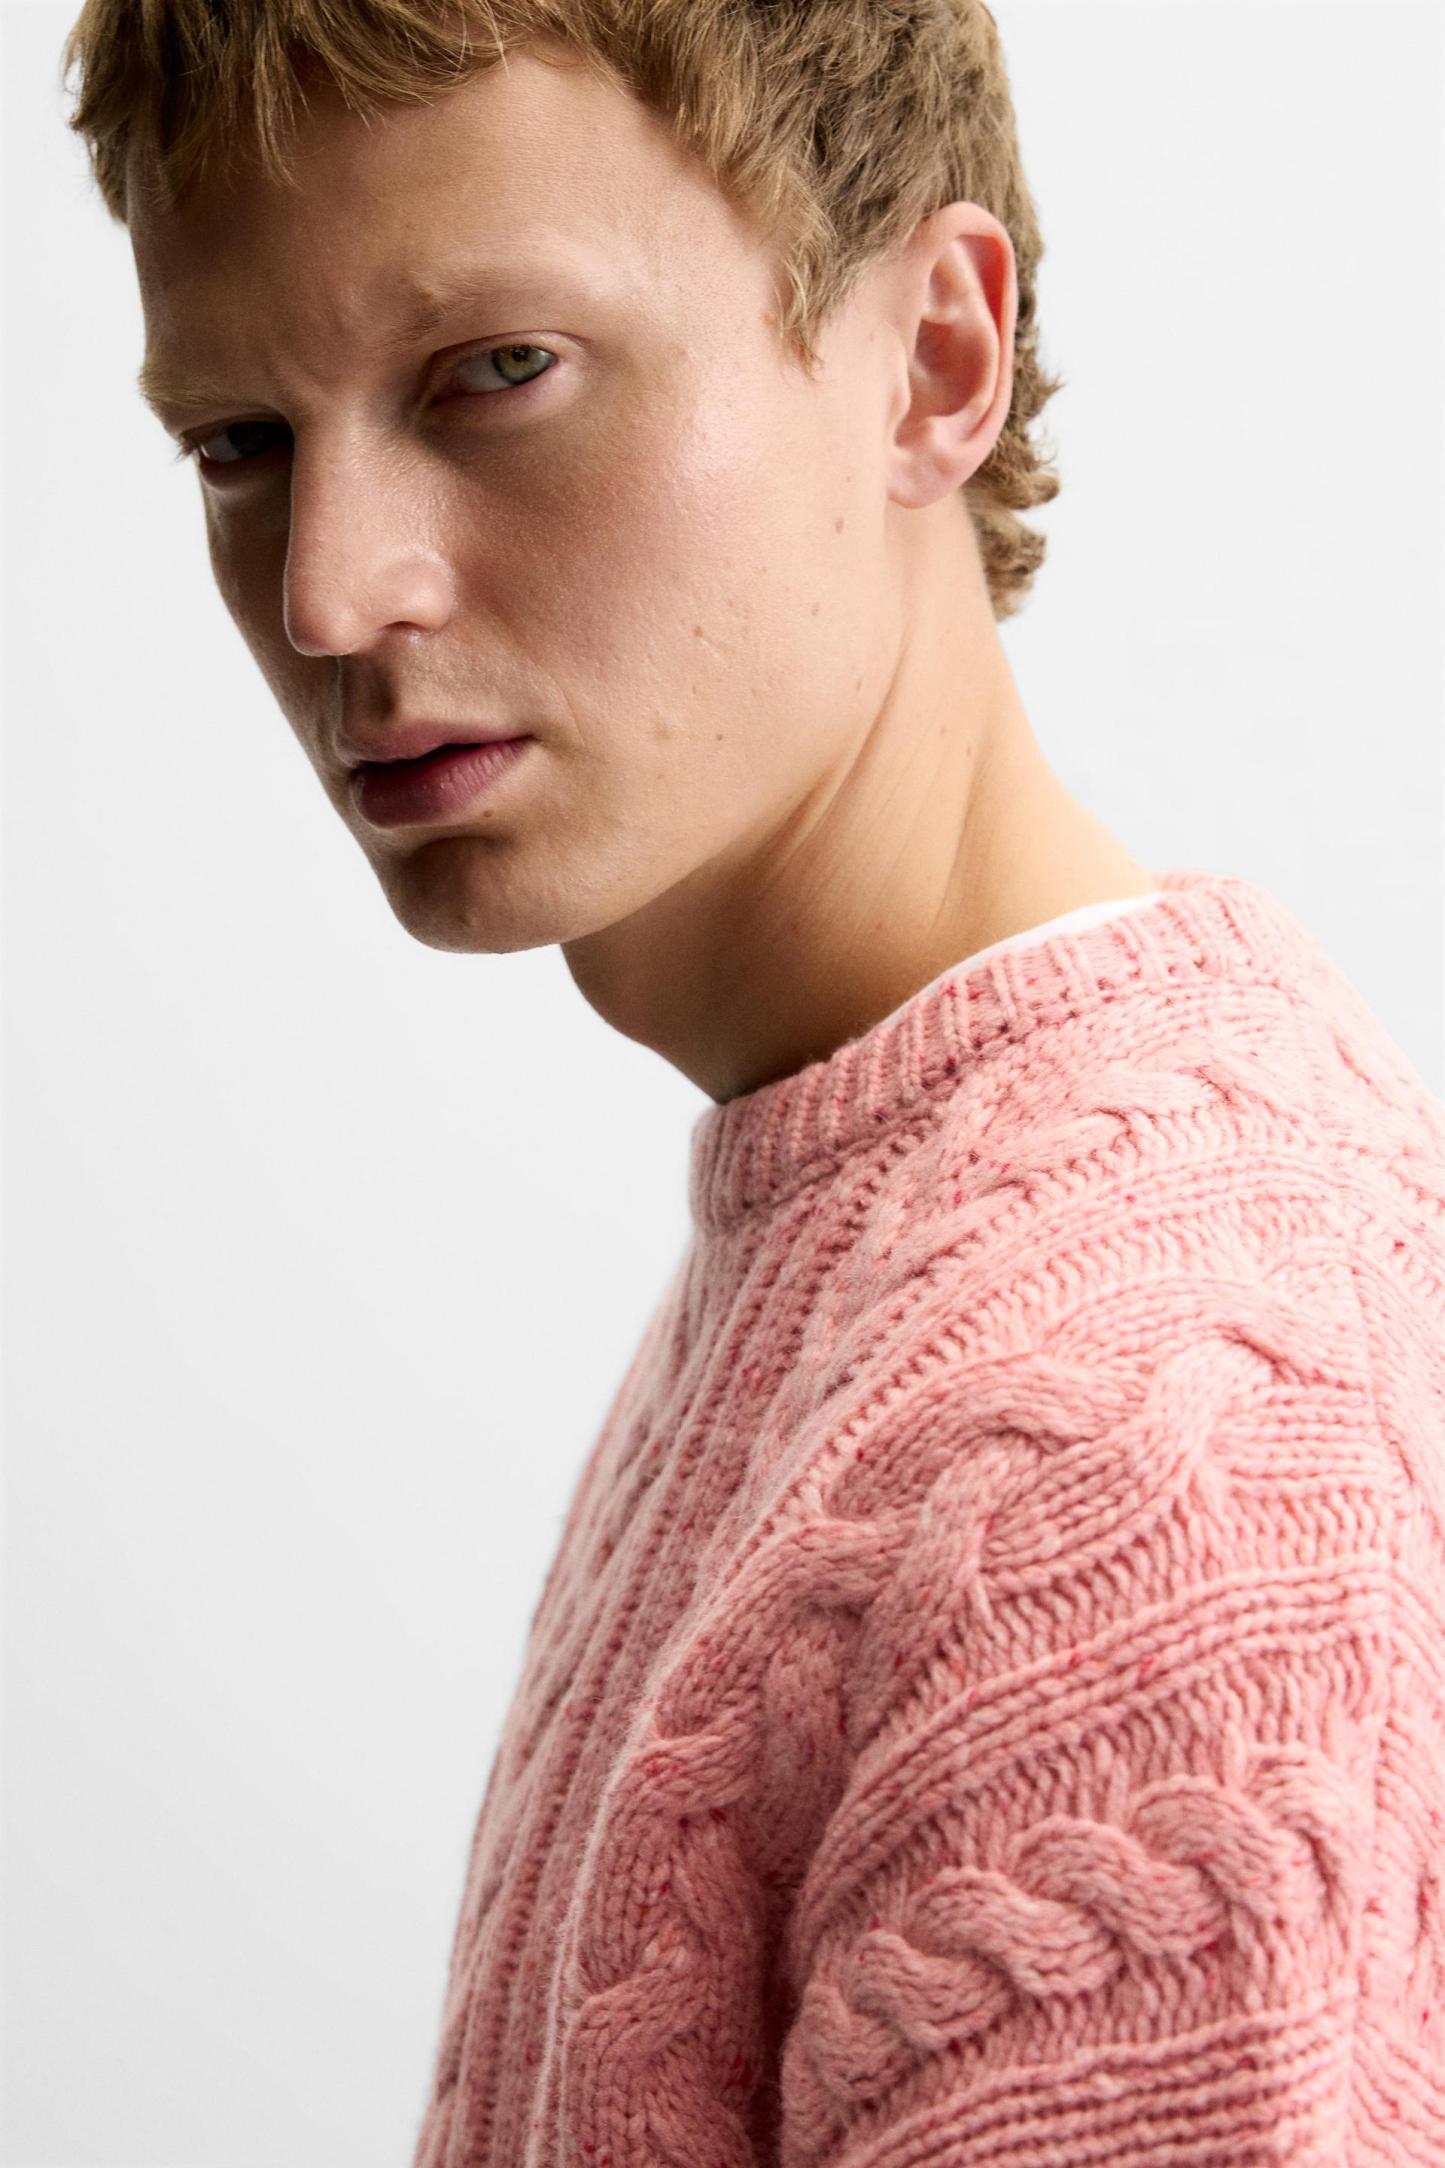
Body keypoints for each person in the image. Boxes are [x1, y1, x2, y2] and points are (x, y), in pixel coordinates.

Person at [59, 3, 1445, 2161]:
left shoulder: (1128, 1443)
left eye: (496, 371)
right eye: (238, 441)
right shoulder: (878, 1211)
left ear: (932, 360)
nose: (330, 591)